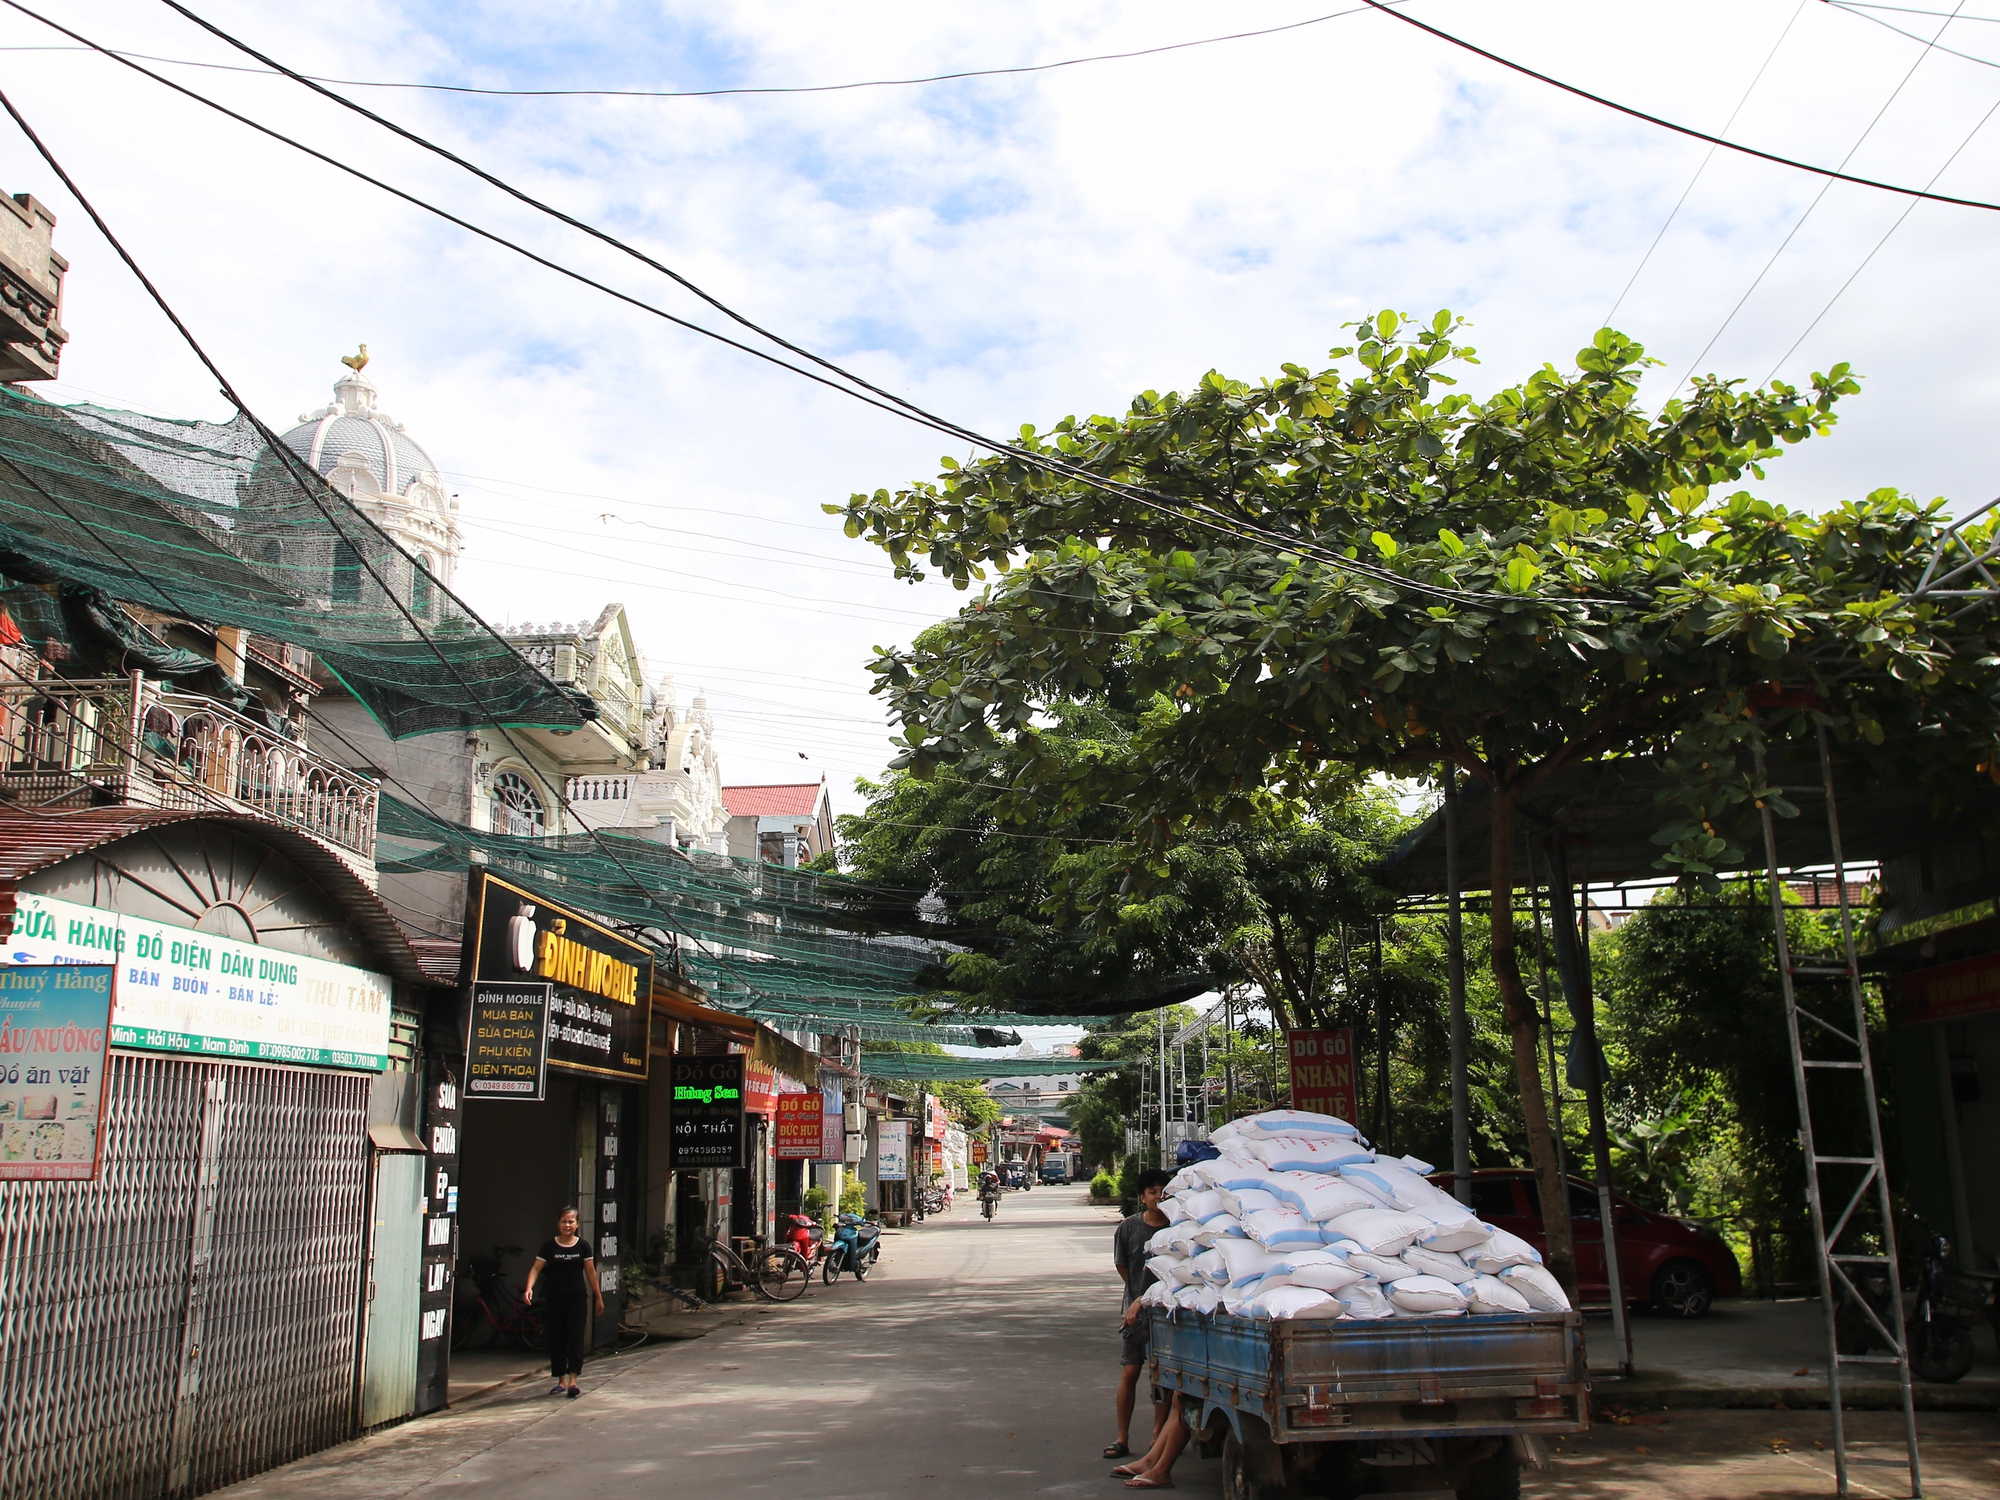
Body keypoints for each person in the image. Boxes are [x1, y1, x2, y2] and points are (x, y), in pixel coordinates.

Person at [1106, 1167, 1173, 1461]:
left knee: (1161, 1377)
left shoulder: (1176, 1228)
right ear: (1142, 1197)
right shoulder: (1129, 1228)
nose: (1158, 1197)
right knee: (1130, 1372)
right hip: (1134, 1314)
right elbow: (1122, 1265)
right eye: (1152, 1192)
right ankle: (1122, 1437)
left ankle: (1158, 1434)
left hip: (1167, 1315)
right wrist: (1138, 1296)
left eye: (1162, 1191)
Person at [522, 1206, 603, 1398]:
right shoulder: (549, 1246)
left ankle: (573, 1381)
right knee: (557, 1339)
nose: (567, 1225)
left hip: (577, 1300)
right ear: (558, 1224)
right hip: (554, 1299)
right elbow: (536, 1269)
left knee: (575, 1337)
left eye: (571, 1222)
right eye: (564, 1222)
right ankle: (561, 1381)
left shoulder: (583, 1246)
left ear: (576, 1225)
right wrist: (528, 1288)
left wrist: (598, 1296)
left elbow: (591, 1273)